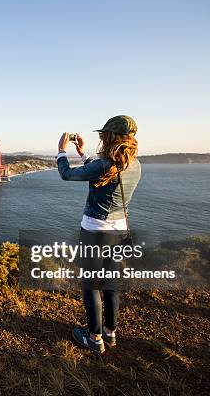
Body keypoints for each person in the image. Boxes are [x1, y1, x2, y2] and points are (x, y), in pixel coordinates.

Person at [56, 115, 141, 354]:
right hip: (119, 230)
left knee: (92, 285)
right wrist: (83, 154)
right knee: (110, 284)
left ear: (109, 136)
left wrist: (62, 151)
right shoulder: (135, 164)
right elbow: (101, 167)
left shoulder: (104, 165)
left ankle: (94, 338)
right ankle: (110, 333)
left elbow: (67, 174)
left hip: (95, 231)